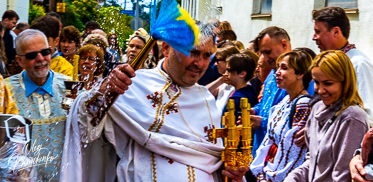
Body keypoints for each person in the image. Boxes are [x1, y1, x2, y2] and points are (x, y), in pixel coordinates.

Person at [60, 25, 247, 182]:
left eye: (207, 56)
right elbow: (85, 127)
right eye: (193, 52)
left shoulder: (206, 99)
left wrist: (231, 170)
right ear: (166, 49)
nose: (200, 63)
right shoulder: (131, 85)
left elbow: (213, 158)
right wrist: (103, 92)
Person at [285, 50, 369, 182]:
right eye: (317, 82)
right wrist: (293, 178)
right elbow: (312, 162)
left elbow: (342, 176)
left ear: (345, 82)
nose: (320, 90)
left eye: (328, 83)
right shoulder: (317, 108)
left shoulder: (353, 118)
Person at [4, 29, 70, 181]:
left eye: (45, 52)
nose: (40, 59)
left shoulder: (70, 88)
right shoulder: (6, 92)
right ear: (19, 60)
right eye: (31, 55)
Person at [312, 7, 373, 126]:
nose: (314, 37)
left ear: (336, 32)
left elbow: (370, 118)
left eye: (318, 32)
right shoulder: (329, 61)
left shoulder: (359, 64)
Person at [251, 51, 313, 182]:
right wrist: (261, 174)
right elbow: (268, 142)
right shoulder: (284, 102)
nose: (277, 72)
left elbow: (294, 154)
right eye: (278, 67)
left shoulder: (303, 105)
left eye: (284, 68)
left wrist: (272, 177)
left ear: (300, 73)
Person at [206, 45, 240, 111]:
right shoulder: (223, 82)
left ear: (229, 61)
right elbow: (203, 94)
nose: (215, 64)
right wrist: (221, 80)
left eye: (218, 60)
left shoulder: (237, 83)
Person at [224, 53, 258, 119]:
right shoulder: (249, 90)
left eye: (229, 70)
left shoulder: (238, 100)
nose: (225, 74)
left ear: (242, 74)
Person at [2, 10, 20, 74]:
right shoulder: (5, 33)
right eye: (13, 23)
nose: (15, 25)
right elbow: (7, 51)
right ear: (6, 20)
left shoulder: (9, 33)